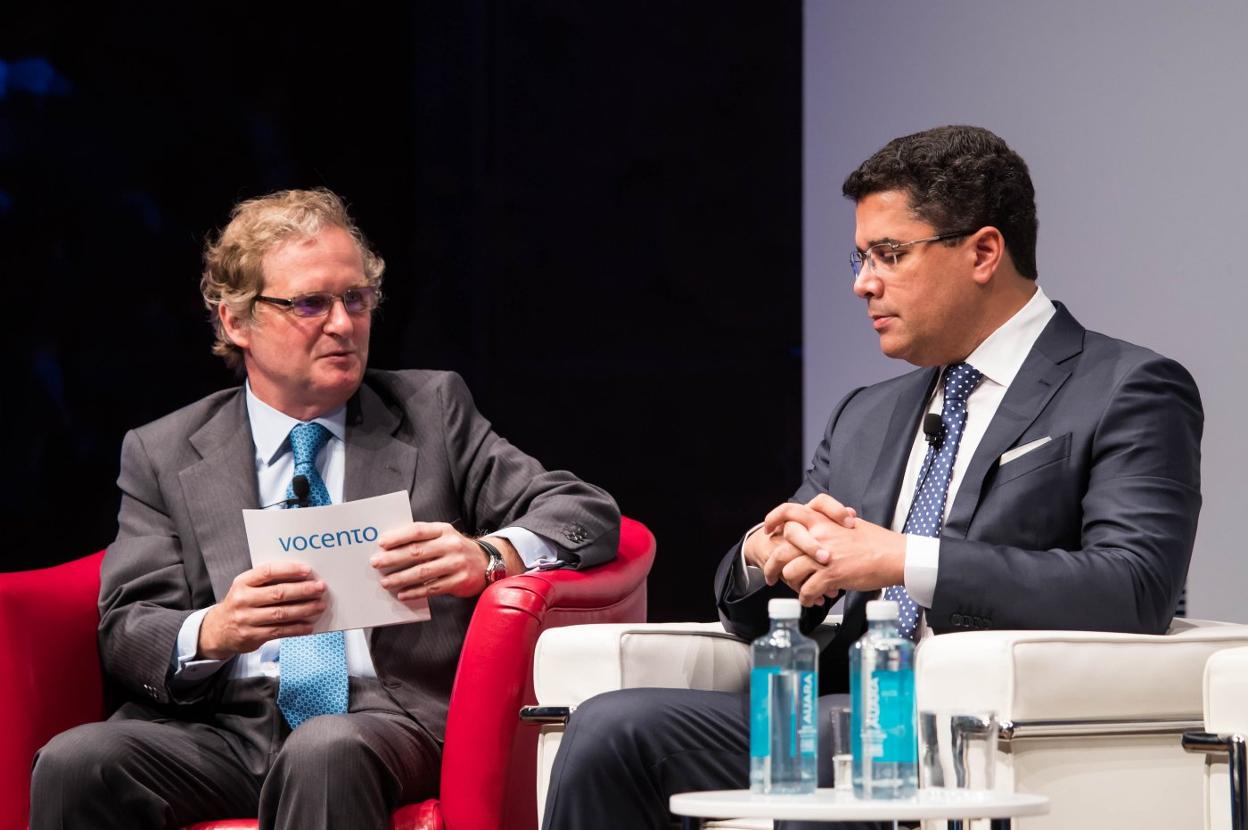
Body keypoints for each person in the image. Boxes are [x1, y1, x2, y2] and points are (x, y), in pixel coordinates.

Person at [541, 125, 1202, 830]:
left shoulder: (1126, 387)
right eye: (859, 259)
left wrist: (902, 559)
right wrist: (763, 557)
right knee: (610, 731)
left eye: (889, 255)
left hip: (969, 729)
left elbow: (1135, 586)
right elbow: (754, 600)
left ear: (983, 252)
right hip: (833, 716)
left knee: (821, 805)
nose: (864, 284)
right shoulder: (867, 414)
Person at [30, 188, 620, 829]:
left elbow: (583, 511)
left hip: (388, 719)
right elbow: (127, 626)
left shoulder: (431, 412)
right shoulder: (164, 451)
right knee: (76, 761)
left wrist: (487, 557)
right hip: (228, 728)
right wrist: (215, 630)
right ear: (235, 321)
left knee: (326, 750)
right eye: (311, 303)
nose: (343, 324)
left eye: (356, 298)